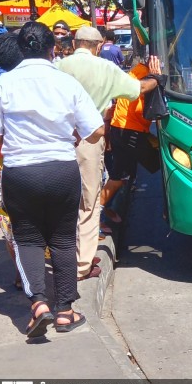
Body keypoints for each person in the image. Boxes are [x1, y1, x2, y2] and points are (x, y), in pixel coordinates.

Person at [0, 21, 104, 337]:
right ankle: (66, 311)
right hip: (61, 170)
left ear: (20, 49)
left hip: (20, 171)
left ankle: (39, 304)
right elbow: (97, 130)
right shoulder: (66, 83)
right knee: (63, 240)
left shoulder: (3, 84)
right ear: (52, 48)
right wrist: (70, 133)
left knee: (27, 238)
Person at [58, 25, 162, 281]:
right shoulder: (105, 68)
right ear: (98, 46)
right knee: (89, 200)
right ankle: (82, 262)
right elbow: (137, 89)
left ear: (74, 43)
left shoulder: (58, 67)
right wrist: (157, 79)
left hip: (57, 139)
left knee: (62, 199)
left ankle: (60, 253)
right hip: (89, 139)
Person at [100, 56, 160, 222]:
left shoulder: (136, 73)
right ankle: (96, 216)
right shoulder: (145, 77)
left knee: (120, 177)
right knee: (162, 161)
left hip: (121, 129)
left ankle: (102, 213)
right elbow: (140, 109)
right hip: (131, 131)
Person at [0, 34, 25, 289]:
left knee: (9, 222)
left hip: (7, 165)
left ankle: (21, 273)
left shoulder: (1, 83)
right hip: (51, 164)